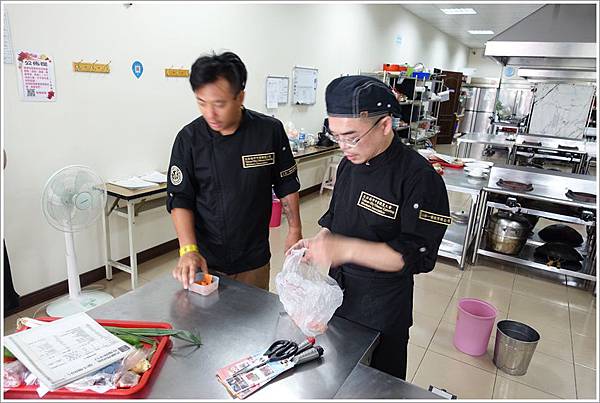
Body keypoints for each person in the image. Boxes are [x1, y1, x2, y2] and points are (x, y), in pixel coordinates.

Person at [290, 75, 450, 379]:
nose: (344, 146)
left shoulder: (419, 179)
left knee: (378, 385)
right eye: (336, 135)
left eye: (352, 136)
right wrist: (319, 241)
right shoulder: (350, 164)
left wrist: (345, 249)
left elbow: (416, 256)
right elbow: (335, 218)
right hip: (339, 297)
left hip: (383, 309)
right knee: (340, 377)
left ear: (385, 125)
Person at [167, 51, 302, 291]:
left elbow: (286, 182)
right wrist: (188, 250)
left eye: (219, 104)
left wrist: (295, 230)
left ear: (240, 97)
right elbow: (180, 197)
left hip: (254, 257)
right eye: (201, 102)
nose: (210, 114)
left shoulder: (268, 131)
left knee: (254, 321)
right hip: (205, 259)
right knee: (206, 325)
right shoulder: (189, 139)